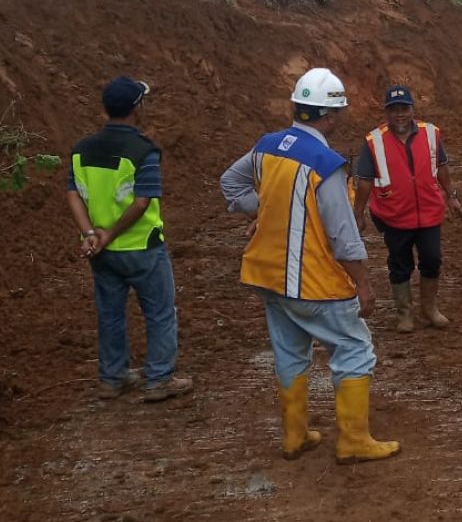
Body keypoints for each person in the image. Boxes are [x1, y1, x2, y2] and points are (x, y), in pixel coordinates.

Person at [220, 68, 399, 464]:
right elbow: (343, 234)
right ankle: (353, 440)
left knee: (289, 351)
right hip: (313, 281)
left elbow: (230, 184)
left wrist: (266, 210)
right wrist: (363, 284)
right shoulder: (326, 162)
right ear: (330, 116)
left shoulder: (267, 146)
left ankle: (294, 435)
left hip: (268, 276)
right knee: (354, 347)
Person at [66, 76, 193, 403]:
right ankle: (159, 378)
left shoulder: (81, 150)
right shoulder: (144, 151)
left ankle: (112, 378)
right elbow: (141, 202)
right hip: (143, 247)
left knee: (110, 314)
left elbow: (73, 195)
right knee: (161, 312)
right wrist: (112, 233)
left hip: (101, 252)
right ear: (137, 108)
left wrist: (91, 233)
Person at [352, 84, 462, 333]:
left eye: (404, 109)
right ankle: (405, 313)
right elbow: (364, 182)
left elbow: (443, 168)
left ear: (412, 110)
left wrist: (451, 196)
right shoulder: (373, 141)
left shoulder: (431, 134)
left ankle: (429, 309)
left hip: (429, 212)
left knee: (432, 260)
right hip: (394, 216)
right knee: (400, 264)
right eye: (394, 110)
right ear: (387, 112)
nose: (399, 114)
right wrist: (358, 213)